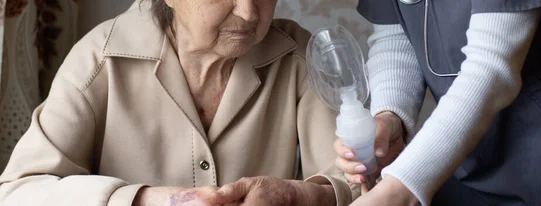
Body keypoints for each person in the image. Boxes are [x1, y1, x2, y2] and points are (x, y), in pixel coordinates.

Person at [0, 0, 361, 205]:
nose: (250, 13)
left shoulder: (298, 58)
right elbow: (17, 193)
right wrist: (142, 201)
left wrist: (300, 196)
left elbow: (360, 184)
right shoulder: (100, 60)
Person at [335, 0, 541, 205]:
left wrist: (399, 189)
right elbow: (396, 34)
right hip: (467, 166)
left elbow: (491, 68)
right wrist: (390, 116)